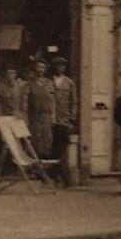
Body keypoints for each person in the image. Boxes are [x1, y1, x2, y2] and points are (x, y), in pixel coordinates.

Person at [49, 57, 78, 186]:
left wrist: (71, 117)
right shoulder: (48, 81)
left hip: (63, 120)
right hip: (49, 119)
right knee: (49, 146)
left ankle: (59, 174)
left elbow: (74, 102)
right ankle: (53, 174)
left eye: (62, 66)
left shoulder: (69, 82)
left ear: (64, 68)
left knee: (60, 147)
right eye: (57, 65)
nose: (59, 68)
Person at [22, 59, 56, 164]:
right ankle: (34, 165)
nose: (41, 70)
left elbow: (53, 100)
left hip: (46, 115)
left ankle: (44, 164)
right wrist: (25, 116)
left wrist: (53, 115)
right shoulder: (29, 83)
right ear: (35, 68)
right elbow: (25, 101)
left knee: (46, 140)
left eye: (43, 67)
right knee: (35, 139)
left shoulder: (49, 82)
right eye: (39, 67)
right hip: (34, 116)